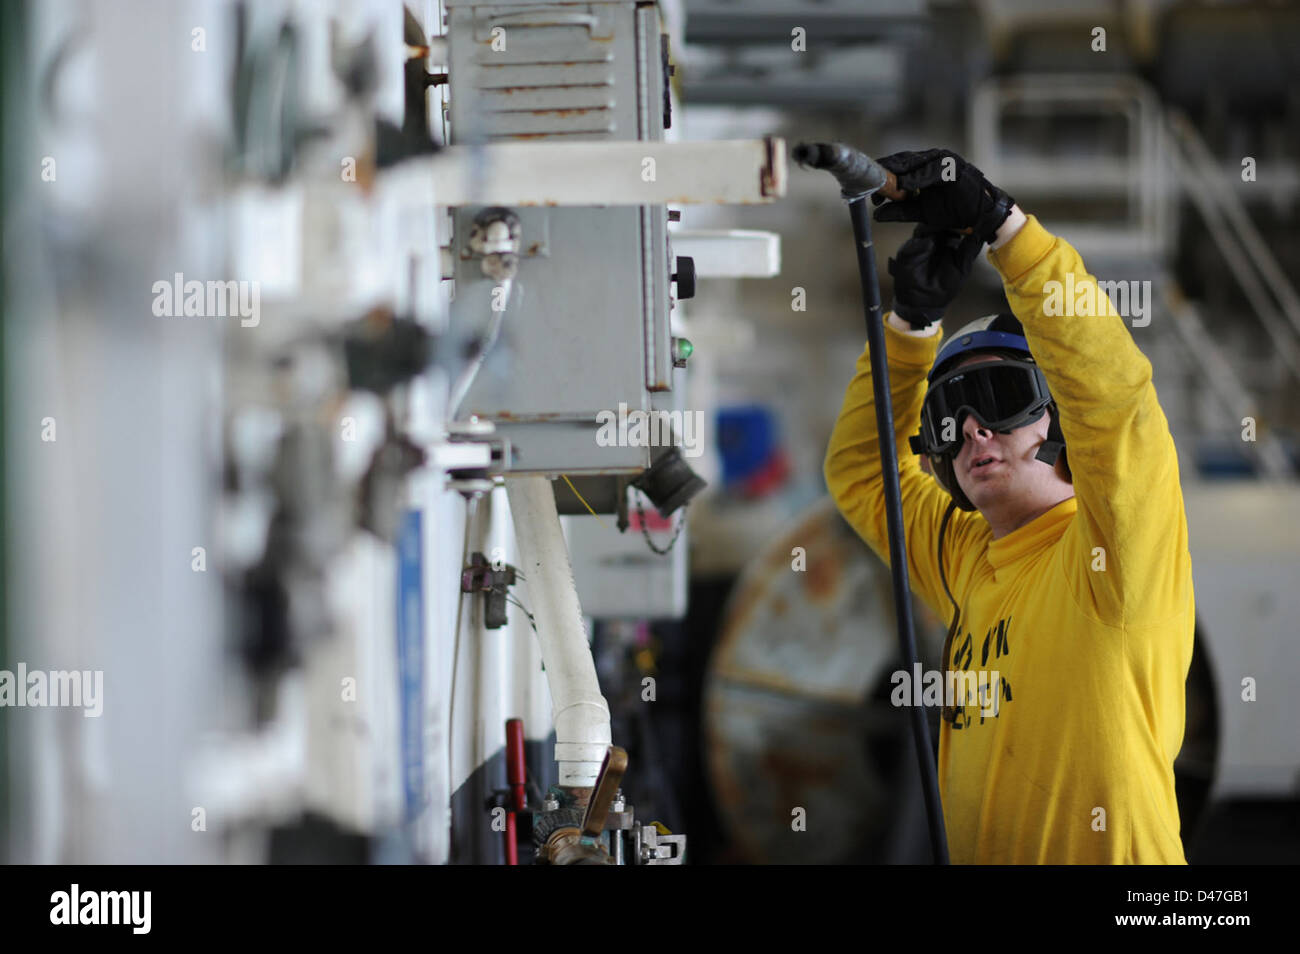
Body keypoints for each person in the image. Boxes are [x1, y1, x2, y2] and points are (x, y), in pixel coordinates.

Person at [824, 149, 1195, 864]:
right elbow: (864, 474)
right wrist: (910, 326)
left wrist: (1005, 229)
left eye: (996, 398)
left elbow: (1115, 405)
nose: (971, 432)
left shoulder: (1113, 558)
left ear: (1054, 418)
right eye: (949, 413)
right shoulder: (970, 560)